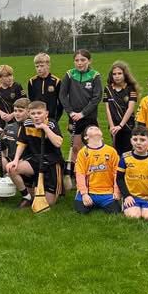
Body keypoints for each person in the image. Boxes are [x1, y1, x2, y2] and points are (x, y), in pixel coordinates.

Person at [5, 100, 64, 209]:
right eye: (33, 113)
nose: (36, 116)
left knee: (49, 203)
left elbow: (58, 143)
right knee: (11, 168)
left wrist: (45, 128)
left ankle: (50, 189)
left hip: (51, 161)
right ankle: (26, 197)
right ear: (29, 114)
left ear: (46, 113)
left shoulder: (51, 124)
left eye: (39, 113)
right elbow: (22, 143)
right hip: (35, 159)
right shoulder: (27, 124)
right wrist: (15, 160)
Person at [59, 49, 103, 189]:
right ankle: (76, 176)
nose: (79, 63)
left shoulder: (95, 76)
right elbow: (62, 95)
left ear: (89, 61)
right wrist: (70, 112)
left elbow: (96, 98)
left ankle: (93, 175)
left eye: (83, 60)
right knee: (76, 148)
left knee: (92, 146)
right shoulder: (69, 74)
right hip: (74, 117)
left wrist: (82, 113)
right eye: (77, 60)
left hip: (89, 117)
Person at [0, 97, 29, 207]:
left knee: (11, 171)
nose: (17, 113)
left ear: (28, 111)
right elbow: (3, 147)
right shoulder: (10, 126)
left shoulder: (32, 127)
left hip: (27, 161)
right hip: (11, 159)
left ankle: (25, 196)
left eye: (20, 111)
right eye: (15, 111)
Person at [116, 126, 148, 221]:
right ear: (131, 141)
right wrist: (127, 196)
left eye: (142, 140)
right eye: (135, 139)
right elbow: (119, 178)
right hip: (132, 197)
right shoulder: (125, 158)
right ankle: (130, 205)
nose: (138, 143)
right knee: (134, 216)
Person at [73, 125, 121, 214]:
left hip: (107, 192)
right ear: (86, 137)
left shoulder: (111, 151)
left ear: (102, 136)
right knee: (81, 210)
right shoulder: (82, 153)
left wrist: (116, 191)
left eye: (97, 128)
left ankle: (103, 201)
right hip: (89, 191)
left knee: (115, 211)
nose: (95, 129)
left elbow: (117, 173)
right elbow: (80, 174)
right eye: (91, 128)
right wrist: (84, 194)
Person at [104, 60, 138, 156]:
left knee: (127, 153)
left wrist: (120, 125)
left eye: (119, 73)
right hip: (114, 127)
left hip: (127, 125)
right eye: (114, 74)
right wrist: (112, 126)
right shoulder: (108, 89)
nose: (117, 76)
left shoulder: (131, 88)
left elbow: (130, 108)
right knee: (116, 153)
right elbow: (107, 108)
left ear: (125, 74)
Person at [27, 53, 63, 122]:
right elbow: (31, 101)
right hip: (36, 117)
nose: (39, 69)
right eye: (37, 66)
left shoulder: (56, 81)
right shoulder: (32, 81)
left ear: (48, 65)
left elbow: (60, 102)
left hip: (51, 117)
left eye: (42, 66)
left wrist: (56, 118)